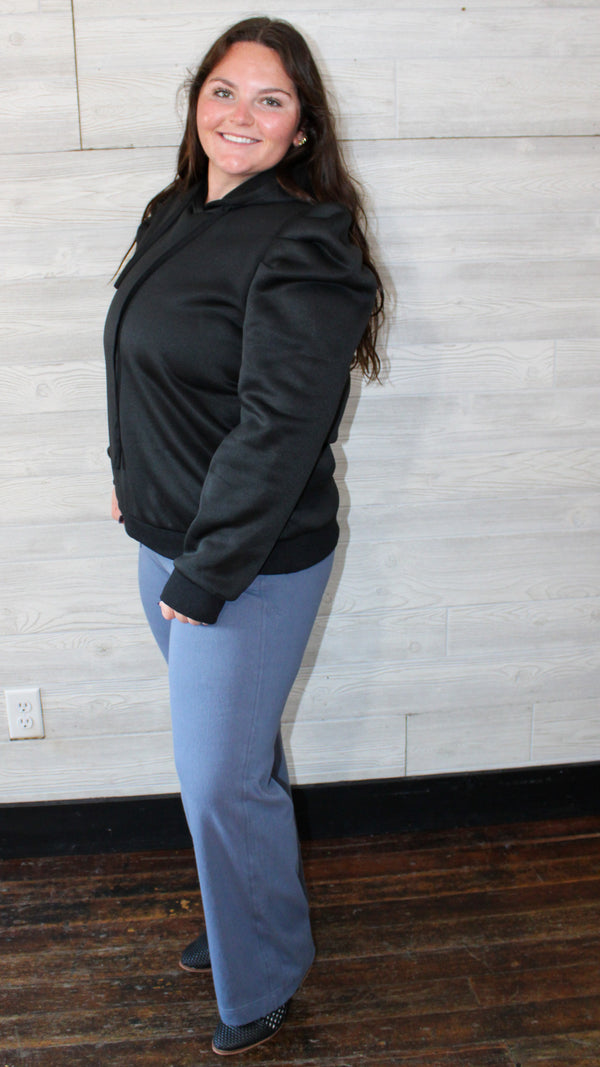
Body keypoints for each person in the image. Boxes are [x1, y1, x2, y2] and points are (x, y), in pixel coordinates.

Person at [104, 15, 384, 1056]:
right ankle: (242, 917)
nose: (240, 114)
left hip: (246, 562)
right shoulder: (176, 210)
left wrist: (206, 573)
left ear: (301, 128)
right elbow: (140, 360)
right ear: (196, 102)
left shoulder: (307, 241)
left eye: (271, 99)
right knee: (233, 756)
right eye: (224, 90)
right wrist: (129, 482)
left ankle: (260, 973)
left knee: (222, 777)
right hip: (170, 538)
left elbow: (279, 429)